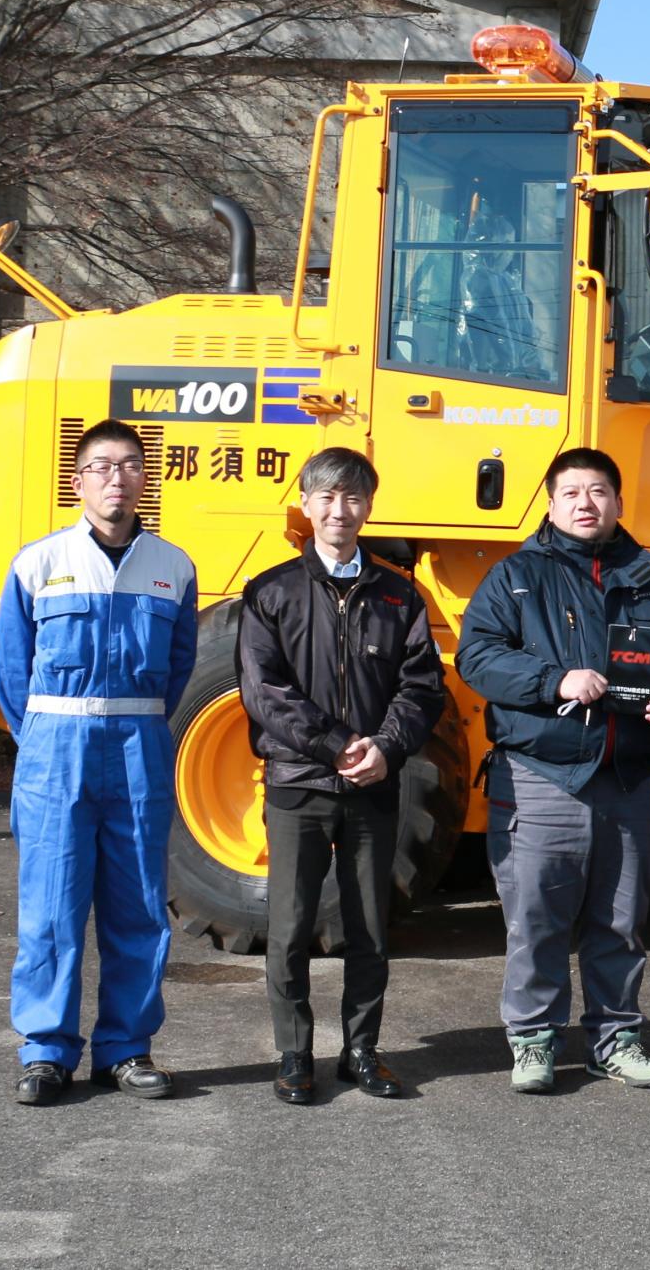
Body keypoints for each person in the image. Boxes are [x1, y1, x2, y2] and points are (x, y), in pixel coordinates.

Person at [456, 447, 650, 1094]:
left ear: (619, 501)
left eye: (597, 491)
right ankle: (533, 1041)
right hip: (543, 774)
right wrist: (554, 680)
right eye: (571, 493)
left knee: (620, 922)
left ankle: (615, 1040)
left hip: (628, 778)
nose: (585, 503)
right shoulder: (516, 577)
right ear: (550, 504)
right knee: (537, 919)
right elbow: (476, 657)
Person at [0, 419, 197, 1106]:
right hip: (56, 755)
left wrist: (129, 722)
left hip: (138, 750)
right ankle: (45, 1052)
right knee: (51, 910)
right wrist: (45, 740)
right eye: (103, 466)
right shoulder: (38, 562)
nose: (117, 478)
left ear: (145, 480)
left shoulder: (174, 568)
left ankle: (125, 1050)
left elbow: (178, 667)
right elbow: (10, 672)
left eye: (131, 465)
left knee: (139, 909)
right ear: (78, 481)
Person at [236, 448, 447, 1105]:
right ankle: (294, 1053)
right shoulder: (271, 591)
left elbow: (423, 685)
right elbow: (264, 690)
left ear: (369, 506)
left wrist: (386, 746)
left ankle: (361, 1050)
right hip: (298, 781)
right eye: (326, 496)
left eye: (352, 496)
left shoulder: (399, 595)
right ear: (304, 502)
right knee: (291, 924)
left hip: (373, 784)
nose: (339, 509)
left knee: (370, 927)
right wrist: (335, 745)